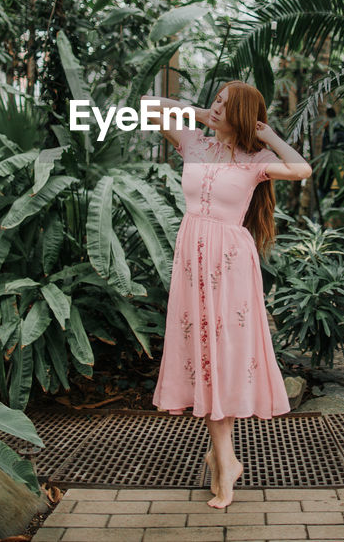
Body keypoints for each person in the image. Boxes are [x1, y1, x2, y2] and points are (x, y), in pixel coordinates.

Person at [141, 82, 312, 508]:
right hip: (191, 261)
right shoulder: (193, 144)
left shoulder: (258, 161)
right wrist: (202, 113)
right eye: (216, 100)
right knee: (202, 353)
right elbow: (146, 106)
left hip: (231, 264)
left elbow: (302, 169)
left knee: (223, 353)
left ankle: (225, 457)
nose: (217, 107)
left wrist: (268, 134)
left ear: (242, 114)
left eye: (224, 104)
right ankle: (226, 458)